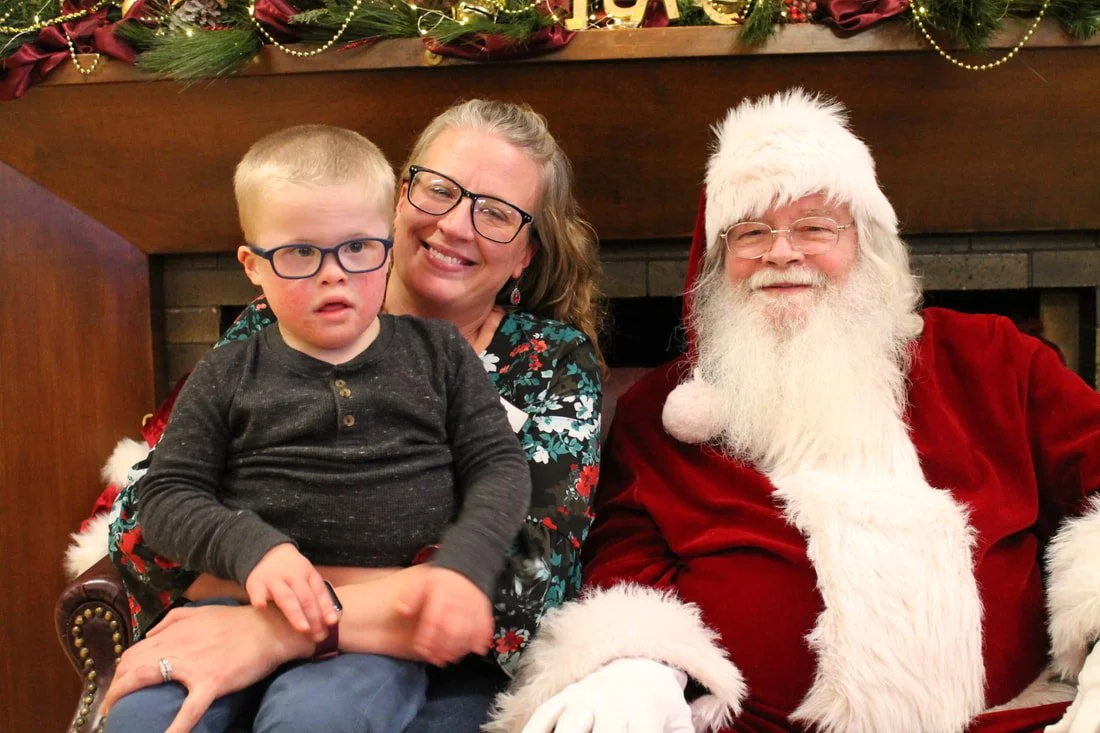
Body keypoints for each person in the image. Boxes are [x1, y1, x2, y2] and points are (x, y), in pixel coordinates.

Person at [485, 88, 1100, 733]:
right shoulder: (660, 415)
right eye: (752, 232)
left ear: (867, 245)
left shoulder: (992, 359)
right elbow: (624, 559)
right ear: (717, 264)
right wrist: (639, 667)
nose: (782, 253)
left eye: (814, 227)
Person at [101, 99, 605, 733]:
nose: (454, 225)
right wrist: (286, 573)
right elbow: (141, 525)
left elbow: (523, 585)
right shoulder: (274, 326)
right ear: (399, 200)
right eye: (438, 190)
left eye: (496, 213)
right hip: (249, 600)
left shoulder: (549, 363)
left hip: (416, 667)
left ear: (526, 253)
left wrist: (275, 629)